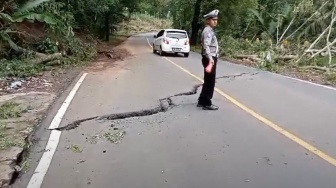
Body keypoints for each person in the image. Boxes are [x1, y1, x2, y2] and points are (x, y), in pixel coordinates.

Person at [197, 9, 220, 110]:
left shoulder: (209, 30)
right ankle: (207, 103)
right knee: (210, 81)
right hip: (209, 59)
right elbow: (206, 45)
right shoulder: (208, 31)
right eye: (213, 19)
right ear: (208, 21)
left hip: (208, 58)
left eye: (216, 19)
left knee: (207, 80)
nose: (215, 21)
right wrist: (211, 59)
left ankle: (202, 101)